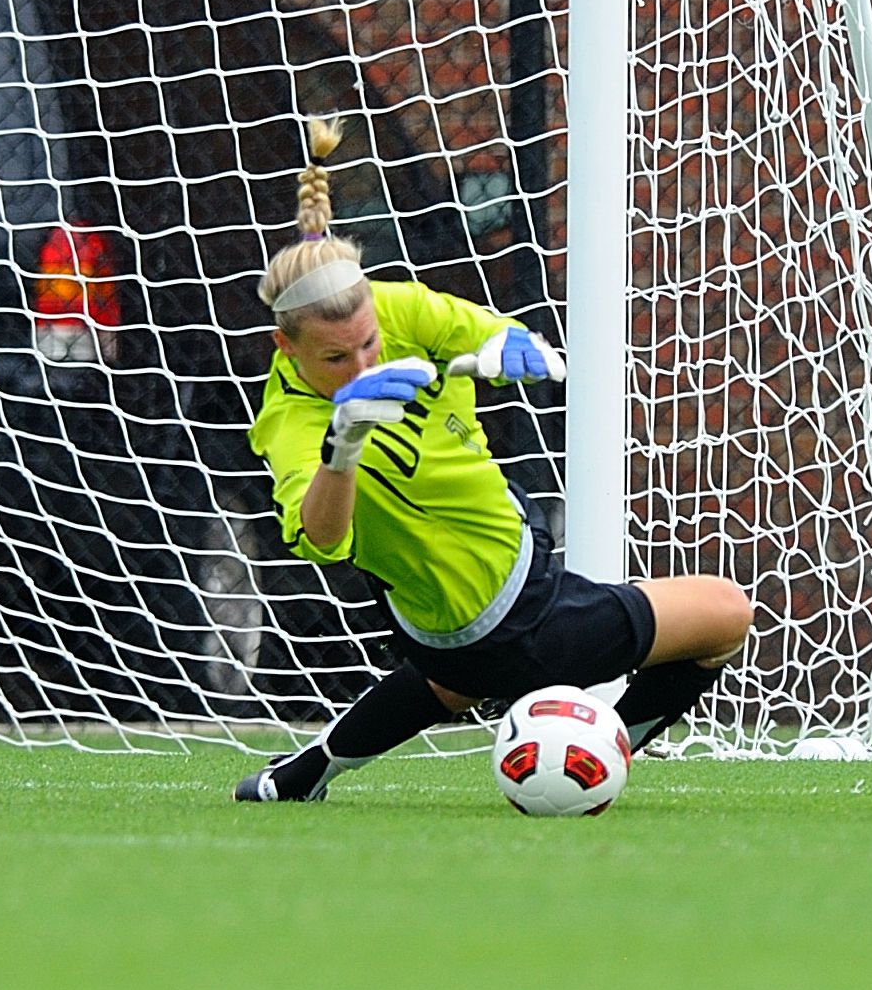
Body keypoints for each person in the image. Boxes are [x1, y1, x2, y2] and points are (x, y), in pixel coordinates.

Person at [234, 118, 754, 803]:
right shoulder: (292, 423)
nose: (363, 362)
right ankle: (596, 751)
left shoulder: (394, 307)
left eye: (367, 342)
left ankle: (303, 773)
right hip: (512, 615)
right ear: (284, 345)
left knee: (447, 681)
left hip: (444, 610)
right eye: (336, 358)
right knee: (725, 613)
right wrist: (343, 447)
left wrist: (518, 349)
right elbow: (323, 540)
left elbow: (492, 332)